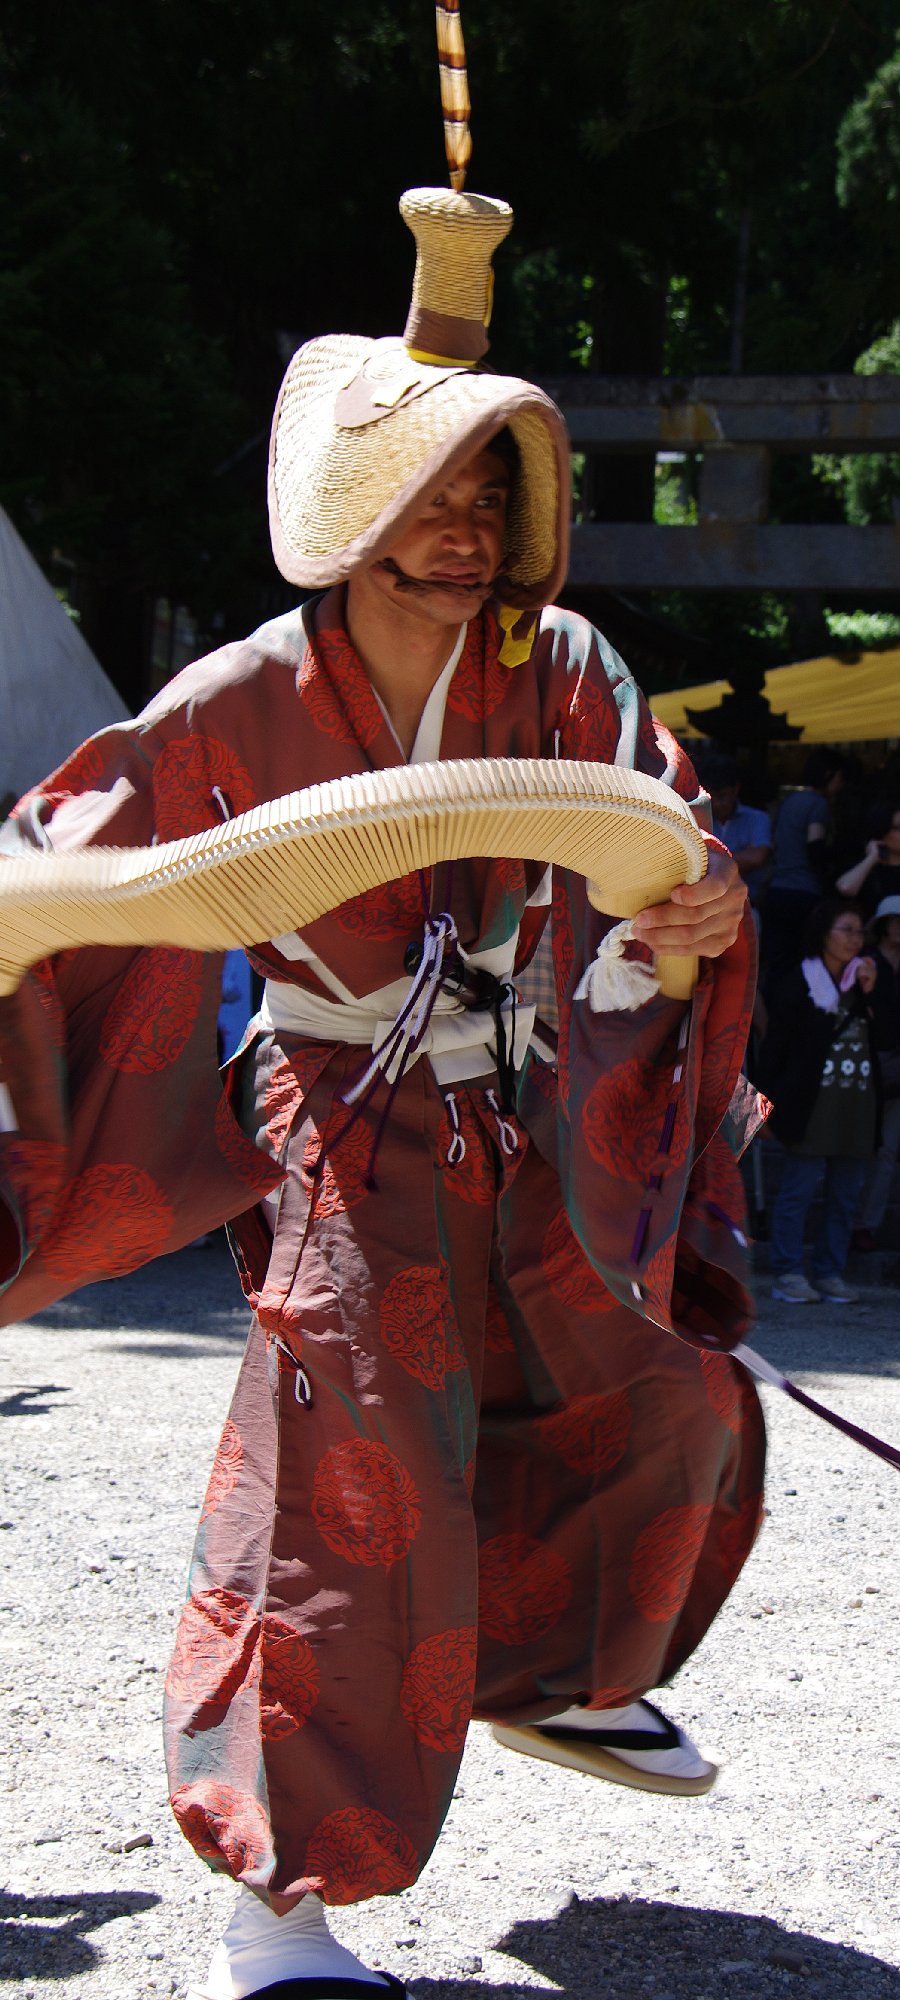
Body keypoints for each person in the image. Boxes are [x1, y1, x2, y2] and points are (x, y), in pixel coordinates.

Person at [0, 187, 763, 2000]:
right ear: (347, 516)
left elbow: (657, 864)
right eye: (427, 497)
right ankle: (279, 1908)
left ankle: (552, 1674)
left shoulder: (566, 673)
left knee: (663, 1379)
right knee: (352, 1482)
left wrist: (697, 907)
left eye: (490, 495)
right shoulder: (235, 703)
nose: (463, 531)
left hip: (530, 1098)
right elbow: (46, 876)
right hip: (343, 1121)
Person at [758, 900, 879, 1305]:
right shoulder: (798, 982)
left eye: (859, 932)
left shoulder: (867, 980)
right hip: (809, 1107)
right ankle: (787, 1272)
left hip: (856, 1107)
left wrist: (869, 990)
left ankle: (830, 1272)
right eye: (846, 929)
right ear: (823, 934)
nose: (855, 939)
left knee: (846, 1196)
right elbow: (774, 1050)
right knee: (798, 1191)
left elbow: (890, 1034)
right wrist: (764, 1107)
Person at [763, 751, 844, 990]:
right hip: (803, 893)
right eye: (840, 778)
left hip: (777, 890)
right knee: (803, 962)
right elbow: (815, 845)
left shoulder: (789, 802)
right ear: (828, 776)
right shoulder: (818, 804)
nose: (841, 785)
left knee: (776, 963)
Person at [851, 894, 900, 1251]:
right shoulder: (864, 963)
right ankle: (847, 1223)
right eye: (893, 920)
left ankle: (866, 1225)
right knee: (858, 1145)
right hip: (865, 1061)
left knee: (886, 1151)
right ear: (882, 925)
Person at [704, 754, 772, 917]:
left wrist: (708, 860)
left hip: (748, 907)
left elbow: (757, 857)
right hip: (705, 910)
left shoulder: (757, 818)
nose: (718, 803)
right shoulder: (698, 819)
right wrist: (740, 858)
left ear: (736, 789)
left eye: (723, 796)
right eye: (712, 797)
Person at [835, 801, 900, 919]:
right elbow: (845, 888)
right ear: (883, 832)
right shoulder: (867, 869)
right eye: (899, 827)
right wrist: (872, 857)